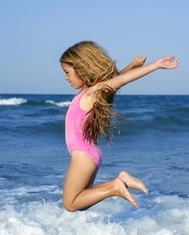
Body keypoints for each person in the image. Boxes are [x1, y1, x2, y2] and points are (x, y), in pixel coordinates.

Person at [60, 41, 179, 212]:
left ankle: (116, 186)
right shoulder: (92, 91)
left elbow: (121, 80)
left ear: (81, 68)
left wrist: (155, 65)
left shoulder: (92, 93)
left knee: (70, 204)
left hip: (83, 154)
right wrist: (132, 65)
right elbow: (114, 81)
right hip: (88, 152)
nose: (66, 77)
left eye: (67, 72)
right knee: (82, 201)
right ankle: (120, 181)